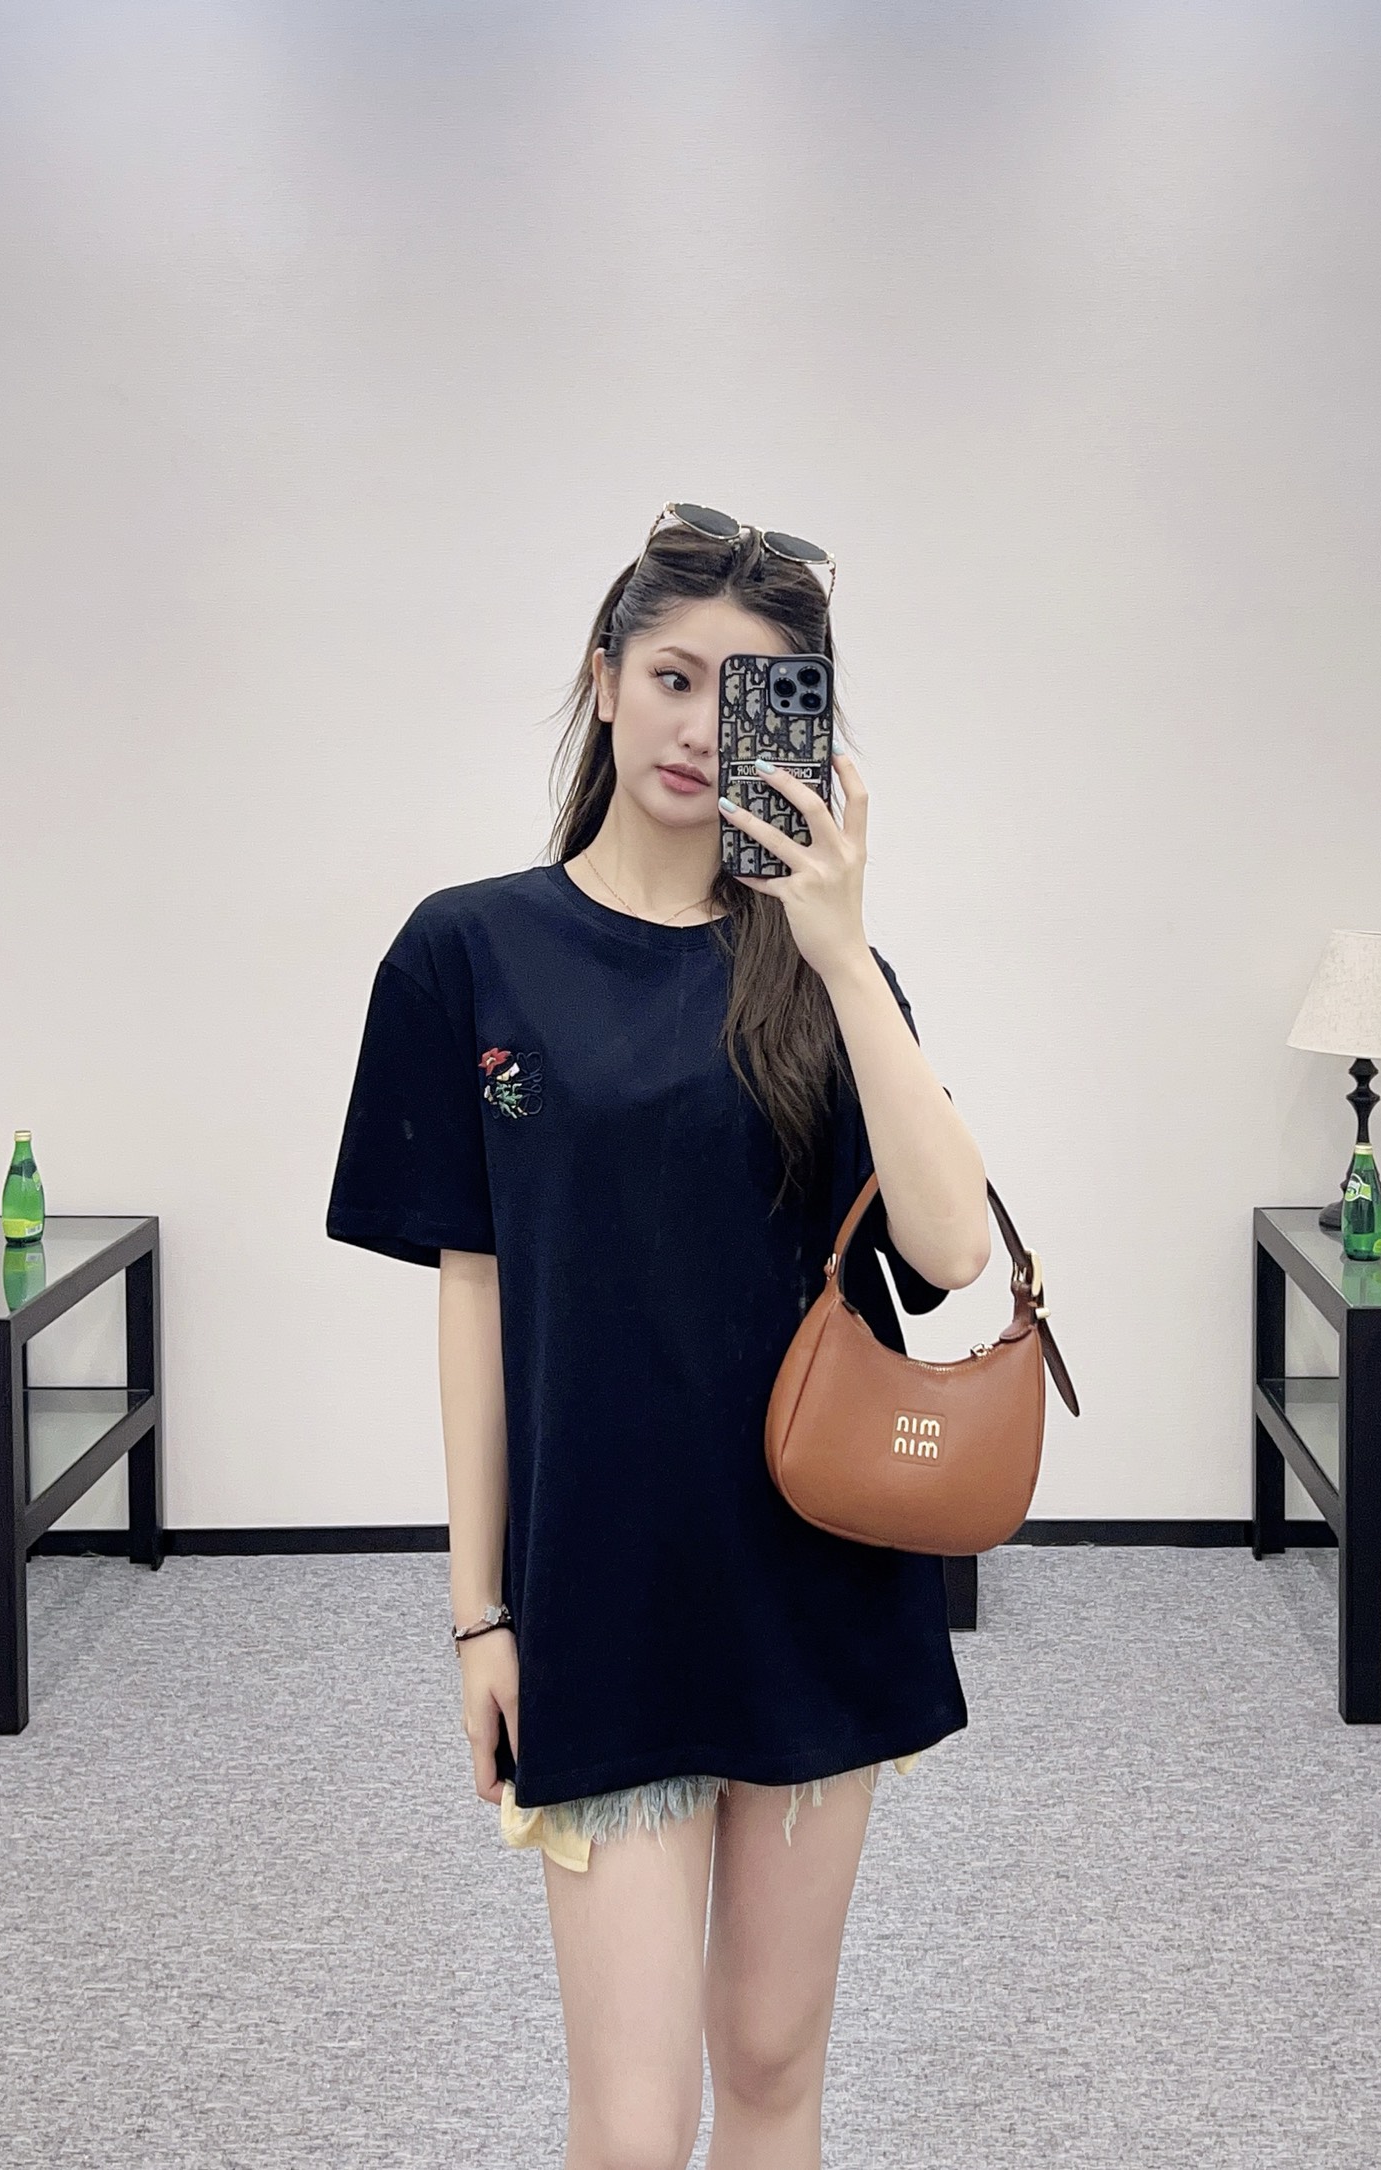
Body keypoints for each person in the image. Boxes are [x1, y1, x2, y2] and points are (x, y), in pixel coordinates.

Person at [326, 503, 992, 2170]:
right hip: (601, 1589)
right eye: (674, 674)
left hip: (817, 1581)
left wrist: (842, 951)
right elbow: (473, 1294)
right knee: (633, 2121)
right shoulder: (468, 951)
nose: (700, 724)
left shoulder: (824, 969)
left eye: (749, 690)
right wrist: (479, 1612)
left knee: (770, 2062)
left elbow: (951, 1248)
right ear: (604, 678)